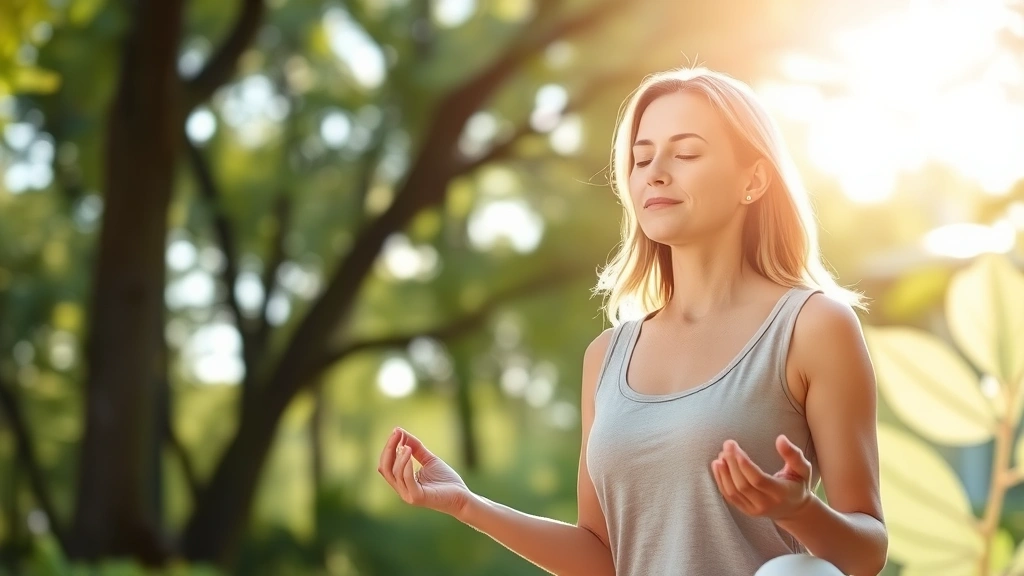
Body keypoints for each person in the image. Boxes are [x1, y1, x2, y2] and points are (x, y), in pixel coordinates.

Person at [377, 66, 888, 576]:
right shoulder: (606, 356)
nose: (655, 172)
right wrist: (467, 504)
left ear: (752, 180)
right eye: (642, 158)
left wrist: (800, 511)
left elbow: (868, 552)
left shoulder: (812, 327)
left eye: (686, 154)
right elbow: (602, 557)